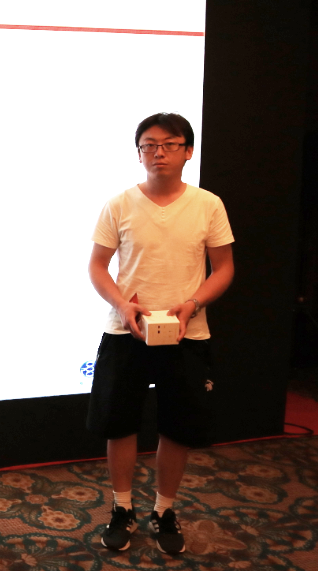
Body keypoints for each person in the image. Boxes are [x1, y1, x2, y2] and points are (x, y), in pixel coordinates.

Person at [86, 112, 235, 556]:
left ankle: (164, 510)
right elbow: (97, 266)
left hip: (187, 334)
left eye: (170, 144)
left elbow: (224, 268)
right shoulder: (119, 204)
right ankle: (122, 508)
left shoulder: (208, 204)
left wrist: (193, 304)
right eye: (149, 145)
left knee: (178, 426)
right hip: (126, 331)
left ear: (188, 151)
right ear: (139, 154)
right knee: (119, 423)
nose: (159, 153)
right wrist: (122, 304)